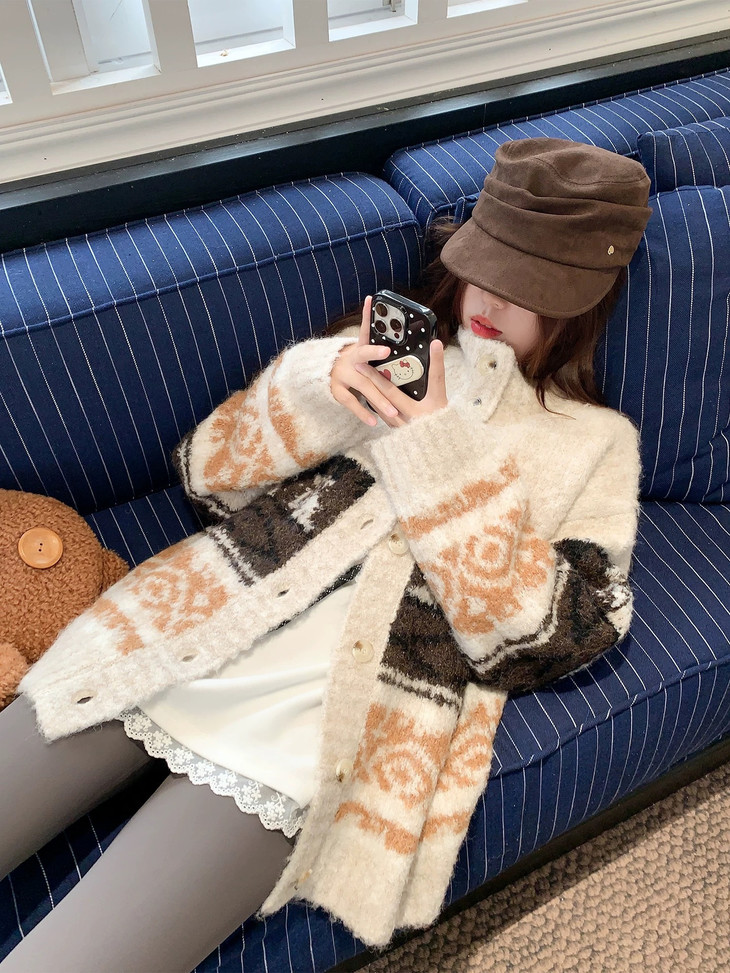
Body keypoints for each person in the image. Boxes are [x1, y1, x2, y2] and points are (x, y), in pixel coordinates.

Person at [0, 138, 651, 973]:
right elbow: (209, 474)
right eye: (487, 266)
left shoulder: (595, 444)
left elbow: (556, 635)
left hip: (322, 724)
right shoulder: (376, 351)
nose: (494, 297)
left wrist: (436, 447)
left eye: (533, 288)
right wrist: (313, 386)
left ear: (587, 301)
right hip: (178, 626)